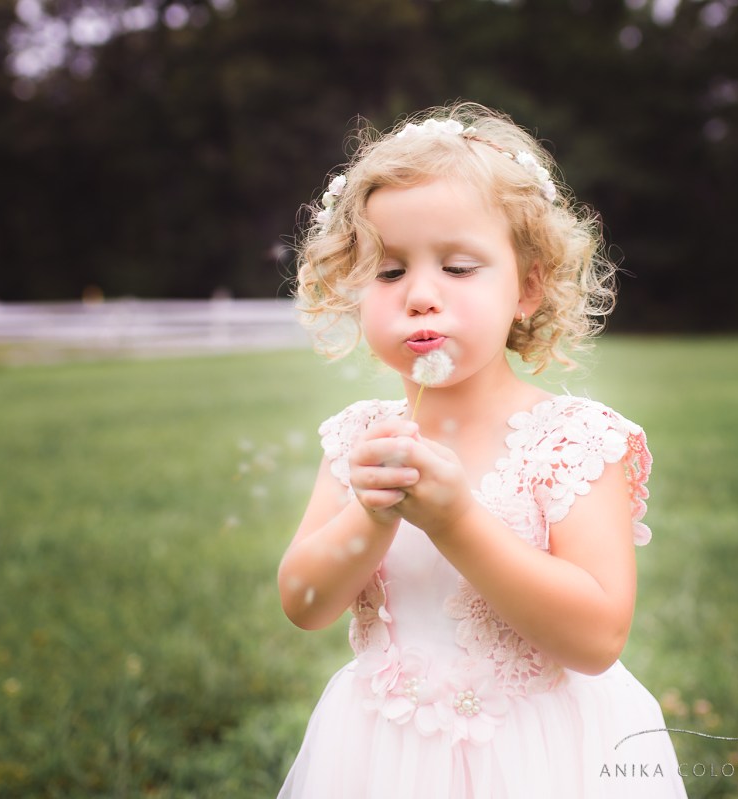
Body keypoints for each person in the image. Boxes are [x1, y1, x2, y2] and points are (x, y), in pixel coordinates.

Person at [277, 102, 687, 797]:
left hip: (540, 755)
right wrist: (371, 516)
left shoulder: (574, 442)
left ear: (526, 287)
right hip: (381, 751)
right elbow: (306, 602)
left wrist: (455, 521)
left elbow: (597, 638)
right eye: (387, 272)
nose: (420, 296)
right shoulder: (361, 439)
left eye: (460, 267)